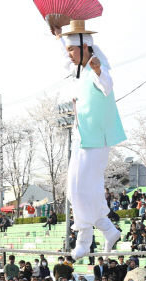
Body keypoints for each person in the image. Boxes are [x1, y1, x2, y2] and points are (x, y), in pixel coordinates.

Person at [53, 20, 126, 259]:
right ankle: (107, 229)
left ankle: (84, 239)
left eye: (72, 49)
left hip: (97, 139)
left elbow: (107, 86)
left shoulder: (97, 68)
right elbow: (67, 59)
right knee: (77, 190)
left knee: (80, 188)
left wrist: (97, 70)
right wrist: (59, 38)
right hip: (81, 139)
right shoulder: (79, 71)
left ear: (85, 47)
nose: (69, 55)